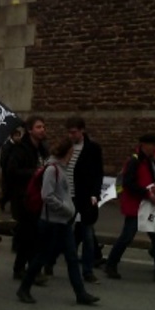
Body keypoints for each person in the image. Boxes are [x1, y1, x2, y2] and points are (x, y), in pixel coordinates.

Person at [15, 138, 100, 305]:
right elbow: (47, 196)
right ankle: (24, 288)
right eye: (71, 153)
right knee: (41, 257)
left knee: (72, 258)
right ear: (67, 152)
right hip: (51, 221)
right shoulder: (52, 170)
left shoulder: (61, 169)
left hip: (63, 221)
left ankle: (80, 293)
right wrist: (66, 209)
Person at [105, 133, 155, 281]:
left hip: (149, 204)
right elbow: (129, 184)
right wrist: (147, 193)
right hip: (136, 205)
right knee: (127, 237)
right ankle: (111, 264)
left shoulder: (153, 161)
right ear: (144, 145)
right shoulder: (134, 161)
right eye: (153, 145)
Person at [2, 116, 49, 280]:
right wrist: (34, 172)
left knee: (29, 235)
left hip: (39, 197)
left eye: (43, 126)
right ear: (30, 130)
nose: (42, 129)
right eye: (38, 127)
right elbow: (11, 171)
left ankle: (21, 268)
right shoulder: (20, 149)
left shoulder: (42, 149)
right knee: (30, 234)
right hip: (24, 198)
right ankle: (29, 270)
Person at [65, 117, 105, 284]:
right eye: (69, 132)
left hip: (84, 196)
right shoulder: (66, 147)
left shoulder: (92, 149)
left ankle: (87, 271)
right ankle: (49, 262)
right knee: (61, 232)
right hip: (67, 196)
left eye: (73, 132)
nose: (71, 135)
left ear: (82, 131)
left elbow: (98, 173)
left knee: (88, 235)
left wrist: (95, 195)